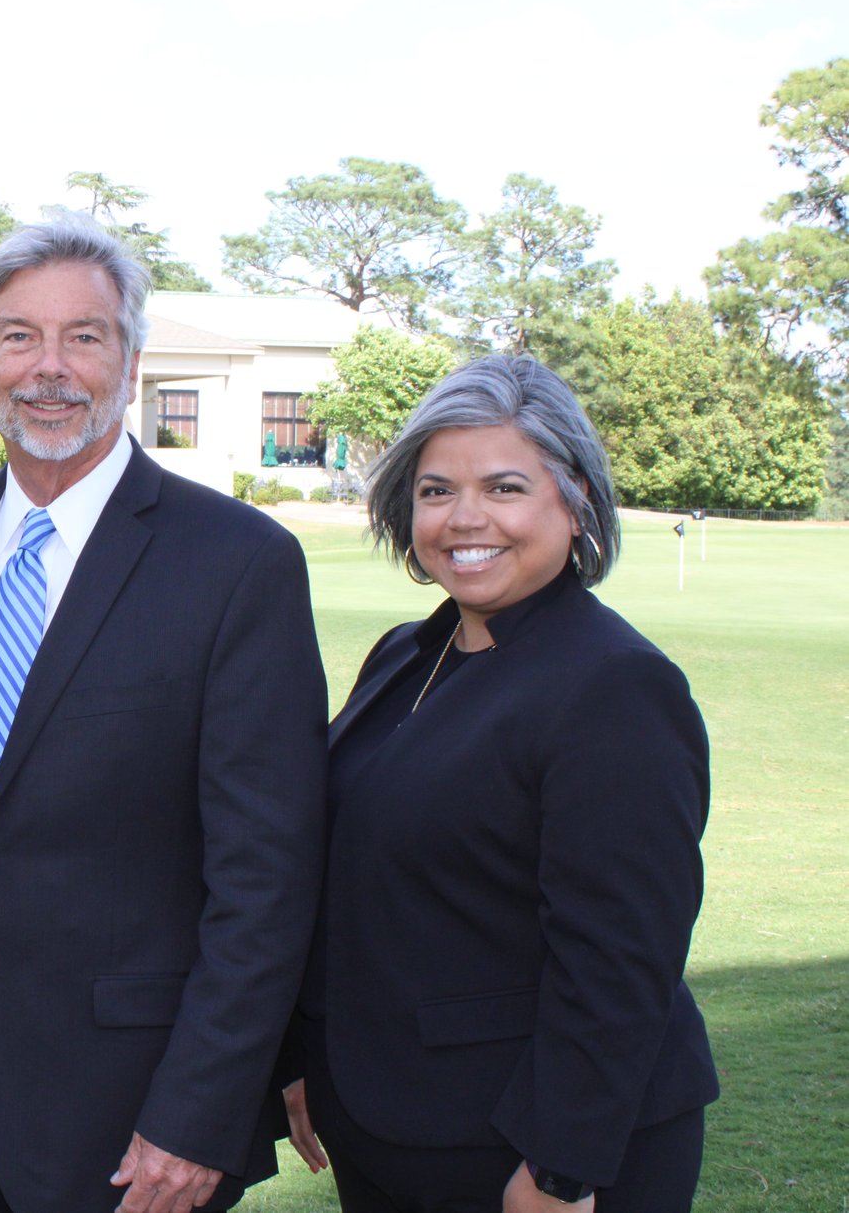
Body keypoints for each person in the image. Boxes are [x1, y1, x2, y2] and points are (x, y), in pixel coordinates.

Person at [0, 216, 329, 1213]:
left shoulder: (237, 563)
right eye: (17, 336)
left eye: (84, 336)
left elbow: (266, 875)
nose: (46, 368)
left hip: (133, 1109)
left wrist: (198, 1112)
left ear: (132, 362)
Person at [281, 355, 719, 1212]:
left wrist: (559, 1169)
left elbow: (620, 958)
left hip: (535, 1154)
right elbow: (353, 880)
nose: (464, 518)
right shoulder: (409, 652)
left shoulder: (615, 687)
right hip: (394, 1128)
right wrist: (304, 1055)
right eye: (437, 490)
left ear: (576, 499)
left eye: (506, 487)